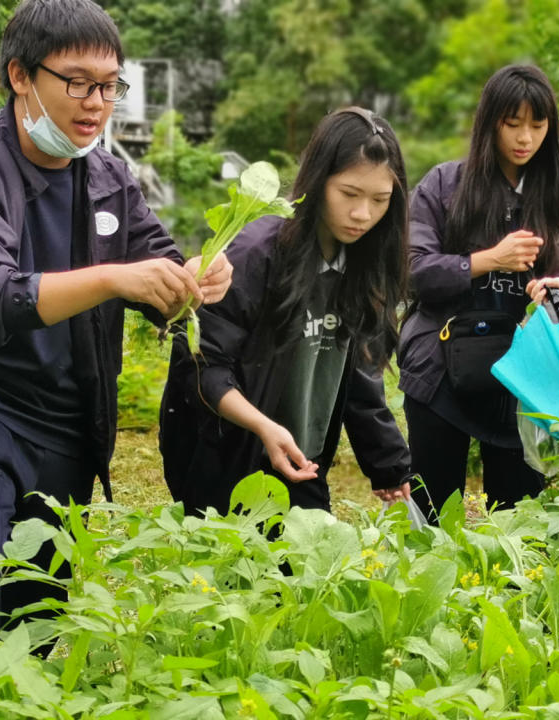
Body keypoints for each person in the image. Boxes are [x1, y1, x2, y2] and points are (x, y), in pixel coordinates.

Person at [0, 0, 231, 650]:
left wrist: (193, 280)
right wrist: (111, 278)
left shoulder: (107, 178)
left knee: (32, 635)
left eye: (108, 85)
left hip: (65, 430)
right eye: (76, 81)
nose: (96, 103)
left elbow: (158, 269)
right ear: (20, 75)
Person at [160, 107, 414, 517]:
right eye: (349, 194)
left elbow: (356, 373)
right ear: (317, 182)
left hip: (301, 463)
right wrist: (263, 426)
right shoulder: (257, 254)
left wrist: (389, 463)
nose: (363, 214)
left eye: (380, 200)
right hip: (227, 459)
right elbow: (202, 367)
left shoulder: (364, 262)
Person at [397, 64, 559, 520]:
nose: (525, 137)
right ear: (489, 123)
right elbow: (412, 271)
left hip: (523, 377)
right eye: (512, 123)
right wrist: (490, 259)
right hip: (439, 370)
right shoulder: (444, 185)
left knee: (519, 522)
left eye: (537, 125)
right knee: (432, 516)